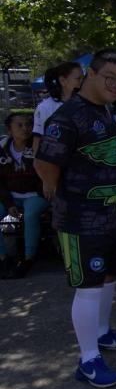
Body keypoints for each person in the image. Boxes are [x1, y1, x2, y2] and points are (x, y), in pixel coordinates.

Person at [34, 48, 116, 388]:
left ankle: (103, 333)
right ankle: (88, 359)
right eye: (110, 78)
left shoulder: (104, 112)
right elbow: (44, 163)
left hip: (112, 216)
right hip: (81, 220)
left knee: (109, 278)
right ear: (89, 75)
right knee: (88, 288)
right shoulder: (67, 117)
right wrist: (57, 190)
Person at [0, 113, 49, 279]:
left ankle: (28, 258)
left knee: (30, 214)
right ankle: (4, 258)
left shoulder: (37, 146)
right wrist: (8, 204)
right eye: (19, 125)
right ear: (9, 129)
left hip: (36, 194)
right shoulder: (2, 148)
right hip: (11, 196)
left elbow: (45, 173)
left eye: (28, 124)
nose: (25, 128)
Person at [32, 62, 83, 153]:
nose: (82, 83)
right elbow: (37, 143)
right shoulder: (45, 107)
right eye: (78, 79)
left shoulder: (86, 105)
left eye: (83, 78)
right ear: (63, 81)